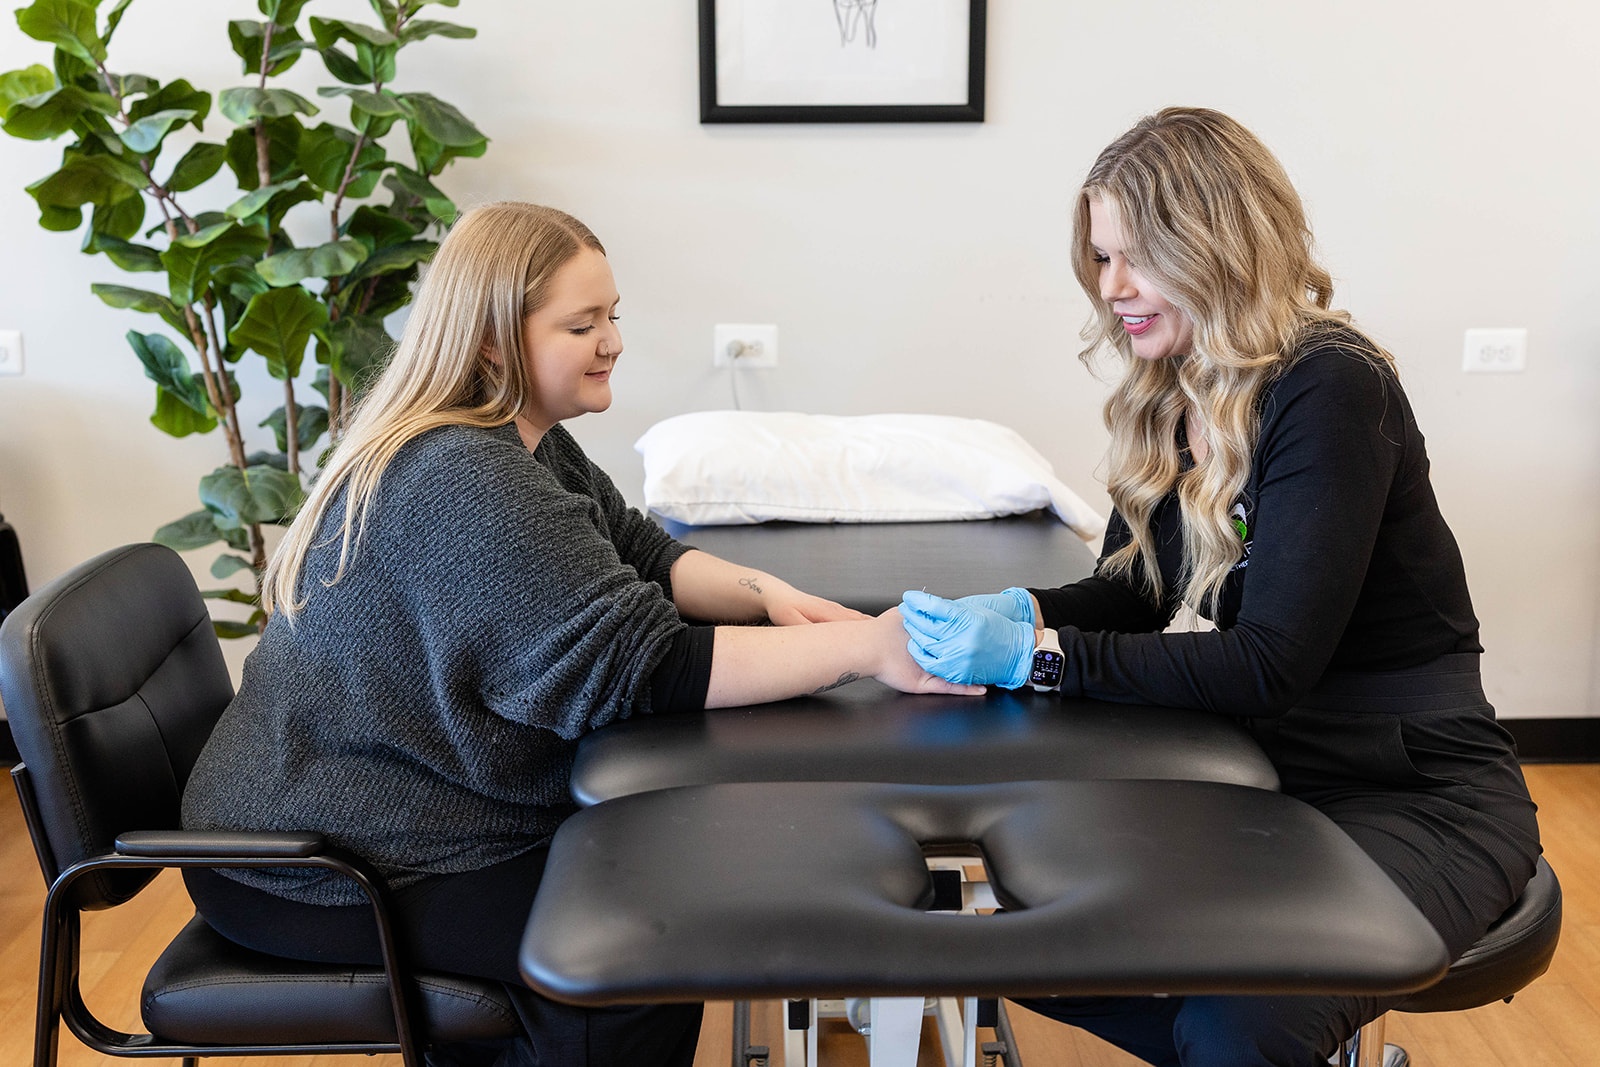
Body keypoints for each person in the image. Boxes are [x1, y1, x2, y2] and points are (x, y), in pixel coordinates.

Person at [180, 202, 977, 1067]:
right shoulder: (461, 475)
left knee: (668, 881)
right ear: (493, 341)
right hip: (323, 861)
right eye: (582, 323)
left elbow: (641, 551)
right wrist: (866, 648)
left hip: (394, 807)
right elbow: (648, 666)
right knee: (641, 947)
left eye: (613, 315)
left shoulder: (520, 438)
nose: (614, 341)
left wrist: (768, 594)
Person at [898, 107, 1542, 1067]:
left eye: (1131, 258)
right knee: (1023, 936)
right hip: (1263, 770)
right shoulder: (1177, 385)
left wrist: (1036, 656)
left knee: (1242, 1022)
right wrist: (1027, 610)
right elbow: (1135, 593)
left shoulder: (1330, 384)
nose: (1110, 289)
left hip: (1415, 788)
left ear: (1212, 244)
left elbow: (1269, 662)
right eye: (1100, 260)